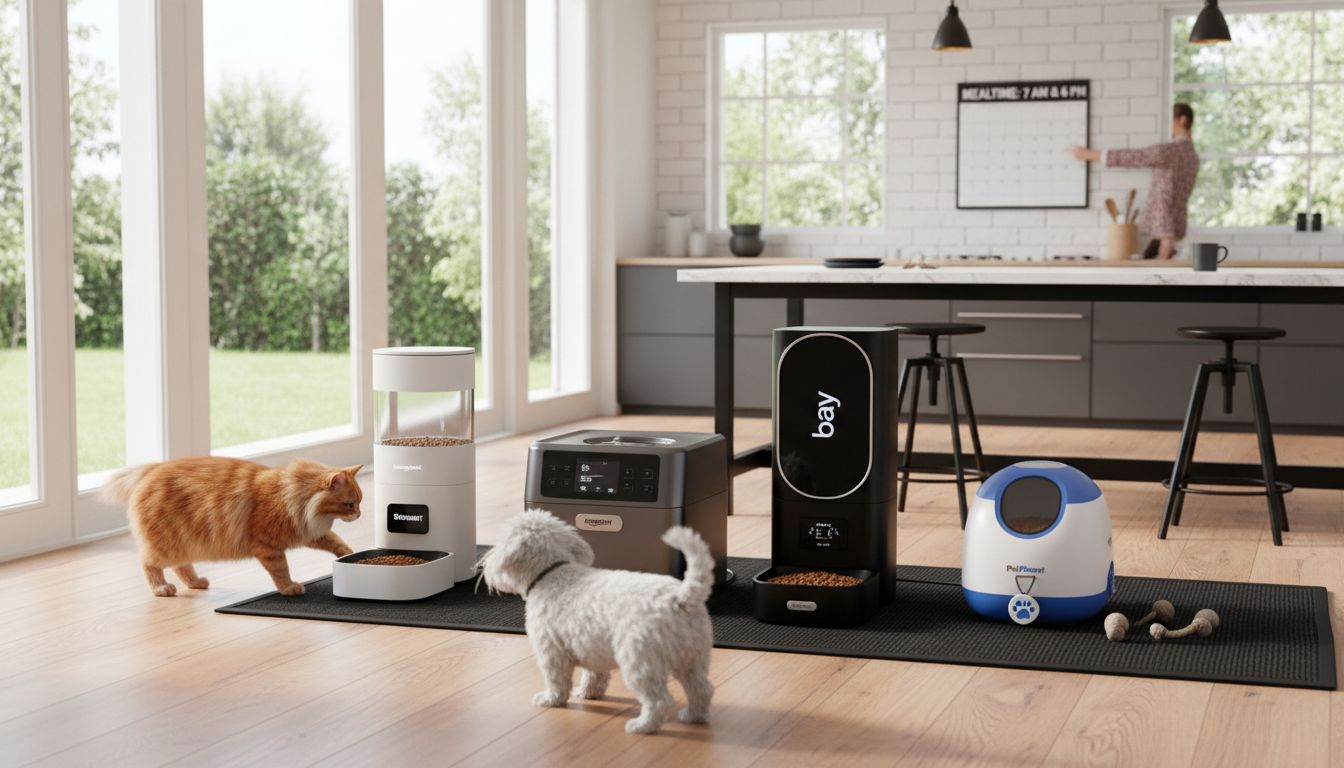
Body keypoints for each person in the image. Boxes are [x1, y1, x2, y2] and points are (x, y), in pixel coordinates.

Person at [1072, 103, 1200, 260]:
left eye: (1171, 120)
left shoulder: (1172, 151)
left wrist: (1093, 155)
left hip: (1164, 227)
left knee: (1158, 269)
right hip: (1175, 225)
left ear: (1182, 120)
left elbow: (1137, 156)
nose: (1169, 126)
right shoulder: (1193, 157)